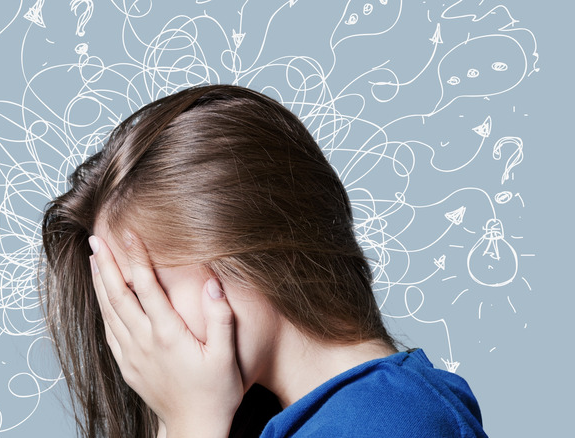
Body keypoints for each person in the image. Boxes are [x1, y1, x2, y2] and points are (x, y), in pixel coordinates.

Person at [39, 84, 487, 437]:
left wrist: (191, 423)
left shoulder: (385, 423)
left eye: (140, 292)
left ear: (238, 248)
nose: (134, 338)